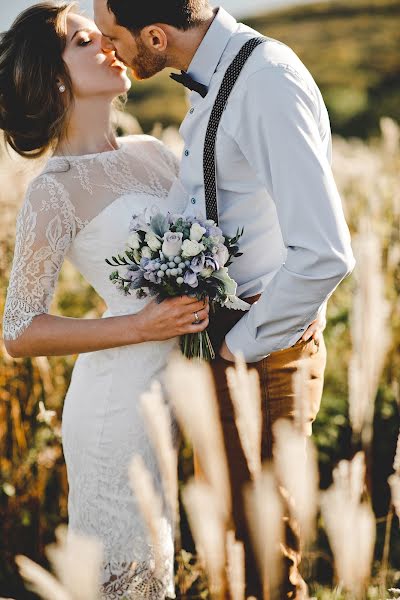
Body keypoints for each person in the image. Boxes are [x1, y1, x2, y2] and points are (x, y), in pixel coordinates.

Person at [93, 0, 356, 597]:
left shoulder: (265, 83)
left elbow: (325, 253)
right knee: (237, 556)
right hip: (232, 351)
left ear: (155, 37)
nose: (109, 48)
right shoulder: (218, 76)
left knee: (265, 567)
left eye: (115, 36)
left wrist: (239, 346)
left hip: (261, 353)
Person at [1, 3, 210, 599]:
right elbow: (19, 331)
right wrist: (139, 326)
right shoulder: (54, 191)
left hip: (176, 392)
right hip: (116, 407)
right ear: (55, 76)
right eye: (84, 41)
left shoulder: (151, 151)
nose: (108, 46)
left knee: (162, 563)